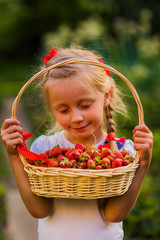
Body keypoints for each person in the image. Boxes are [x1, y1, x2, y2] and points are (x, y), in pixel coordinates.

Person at [1, 47, 153, 240]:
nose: (76, 117)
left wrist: (143, 163)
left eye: (85, 105)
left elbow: (113, 215)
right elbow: (40, 210)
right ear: (52, 109)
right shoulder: (44, 150)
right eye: (64, 110)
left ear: (105, 96)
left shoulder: (121, 153)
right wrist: (15, 156)